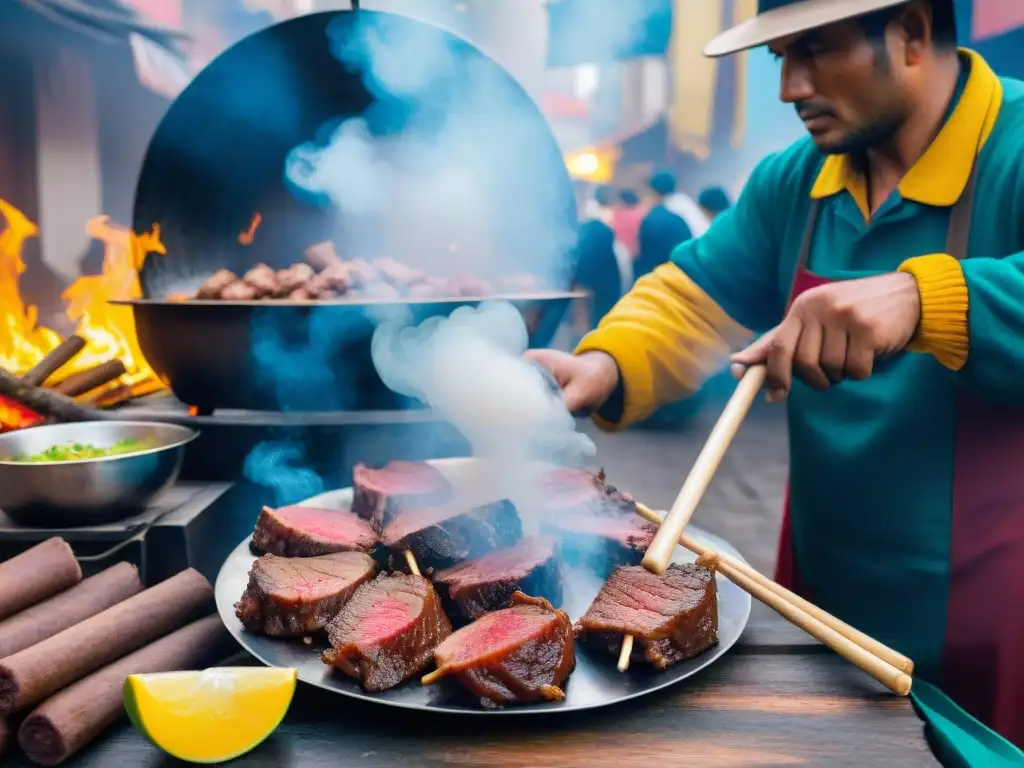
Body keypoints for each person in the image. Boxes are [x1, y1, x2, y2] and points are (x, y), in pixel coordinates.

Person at [527, 0, 1024, 752]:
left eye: (816, 50)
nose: (791, 87)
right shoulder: (796, 179)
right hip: (822, 593)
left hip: (998, 605)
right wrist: (603, 363)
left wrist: (927, 296)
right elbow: (694, 298)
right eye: (781, 58)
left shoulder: (1014, 145)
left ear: (915, 33)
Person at [636, 171, 693, 280]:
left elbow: (647, 259)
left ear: (653, 191)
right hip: (687, 277)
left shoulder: (655, 217)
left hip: (663, 279)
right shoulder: (687, 208)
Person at [609, 188, 645, 259]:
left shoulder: (618, 217)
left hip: (622, 258)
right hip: (640, 256)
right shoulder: (642, 216)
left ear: (622, 202)